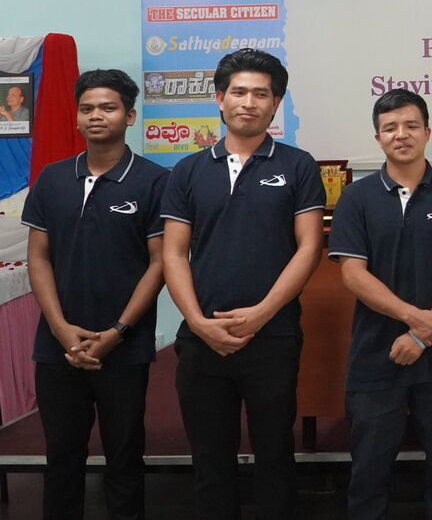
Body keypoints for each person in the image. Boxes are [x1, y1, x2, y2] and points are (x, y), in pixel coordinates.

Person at [161, 48, 326, 519]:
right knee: (210, 461)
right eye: (238, 92)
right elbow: (172, 252)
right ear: (219, 99)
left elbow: (309, 248)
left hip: (272, 337)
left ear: (275, 104)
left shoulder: (298, 166)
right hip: (202, 340)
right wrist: (197, 322)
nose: (248, 102)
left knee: (275, 457)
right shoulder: (189, 170)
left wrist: (261, 314)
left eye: (260, 94)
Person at [328, 89, 432, 520]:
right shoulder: (356, 199)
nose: (402, 135)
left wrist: (420, 335)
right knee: (369, 472)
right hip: (376, 354)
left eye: (411, 125)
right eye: (390, 128)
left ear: (427, 133)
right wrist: (415, 321)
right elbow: (353, 274)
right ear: (378, 138)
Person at [22, 69, 168, 520]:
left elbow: (161, 264)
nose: (96, 116)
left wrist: (118, 331)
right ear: (77, 117)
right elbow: (38, 258)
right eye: (87, 109)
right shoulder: (52, 179)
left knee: (125, 456)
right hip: (57, 348)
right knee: (62, 457)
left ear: (130, 116)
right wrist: (61, 329)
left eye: (108, 107)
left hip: (123, 348)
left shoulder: (155, 181)